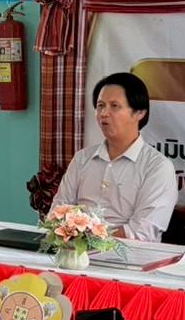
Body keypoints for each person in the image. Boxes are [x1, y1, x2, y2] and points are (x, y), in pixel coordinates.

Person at [51, 72, 175, 241]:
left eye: (114, 106)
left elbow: (143, 232)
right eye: (100, 105)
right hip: (75, 251)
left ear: (139, 112)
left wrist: (89, 240)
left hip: (129, 254)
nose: (104, 113)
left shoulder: (157, 167)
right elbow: (58, 212)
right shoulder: (82, 159)